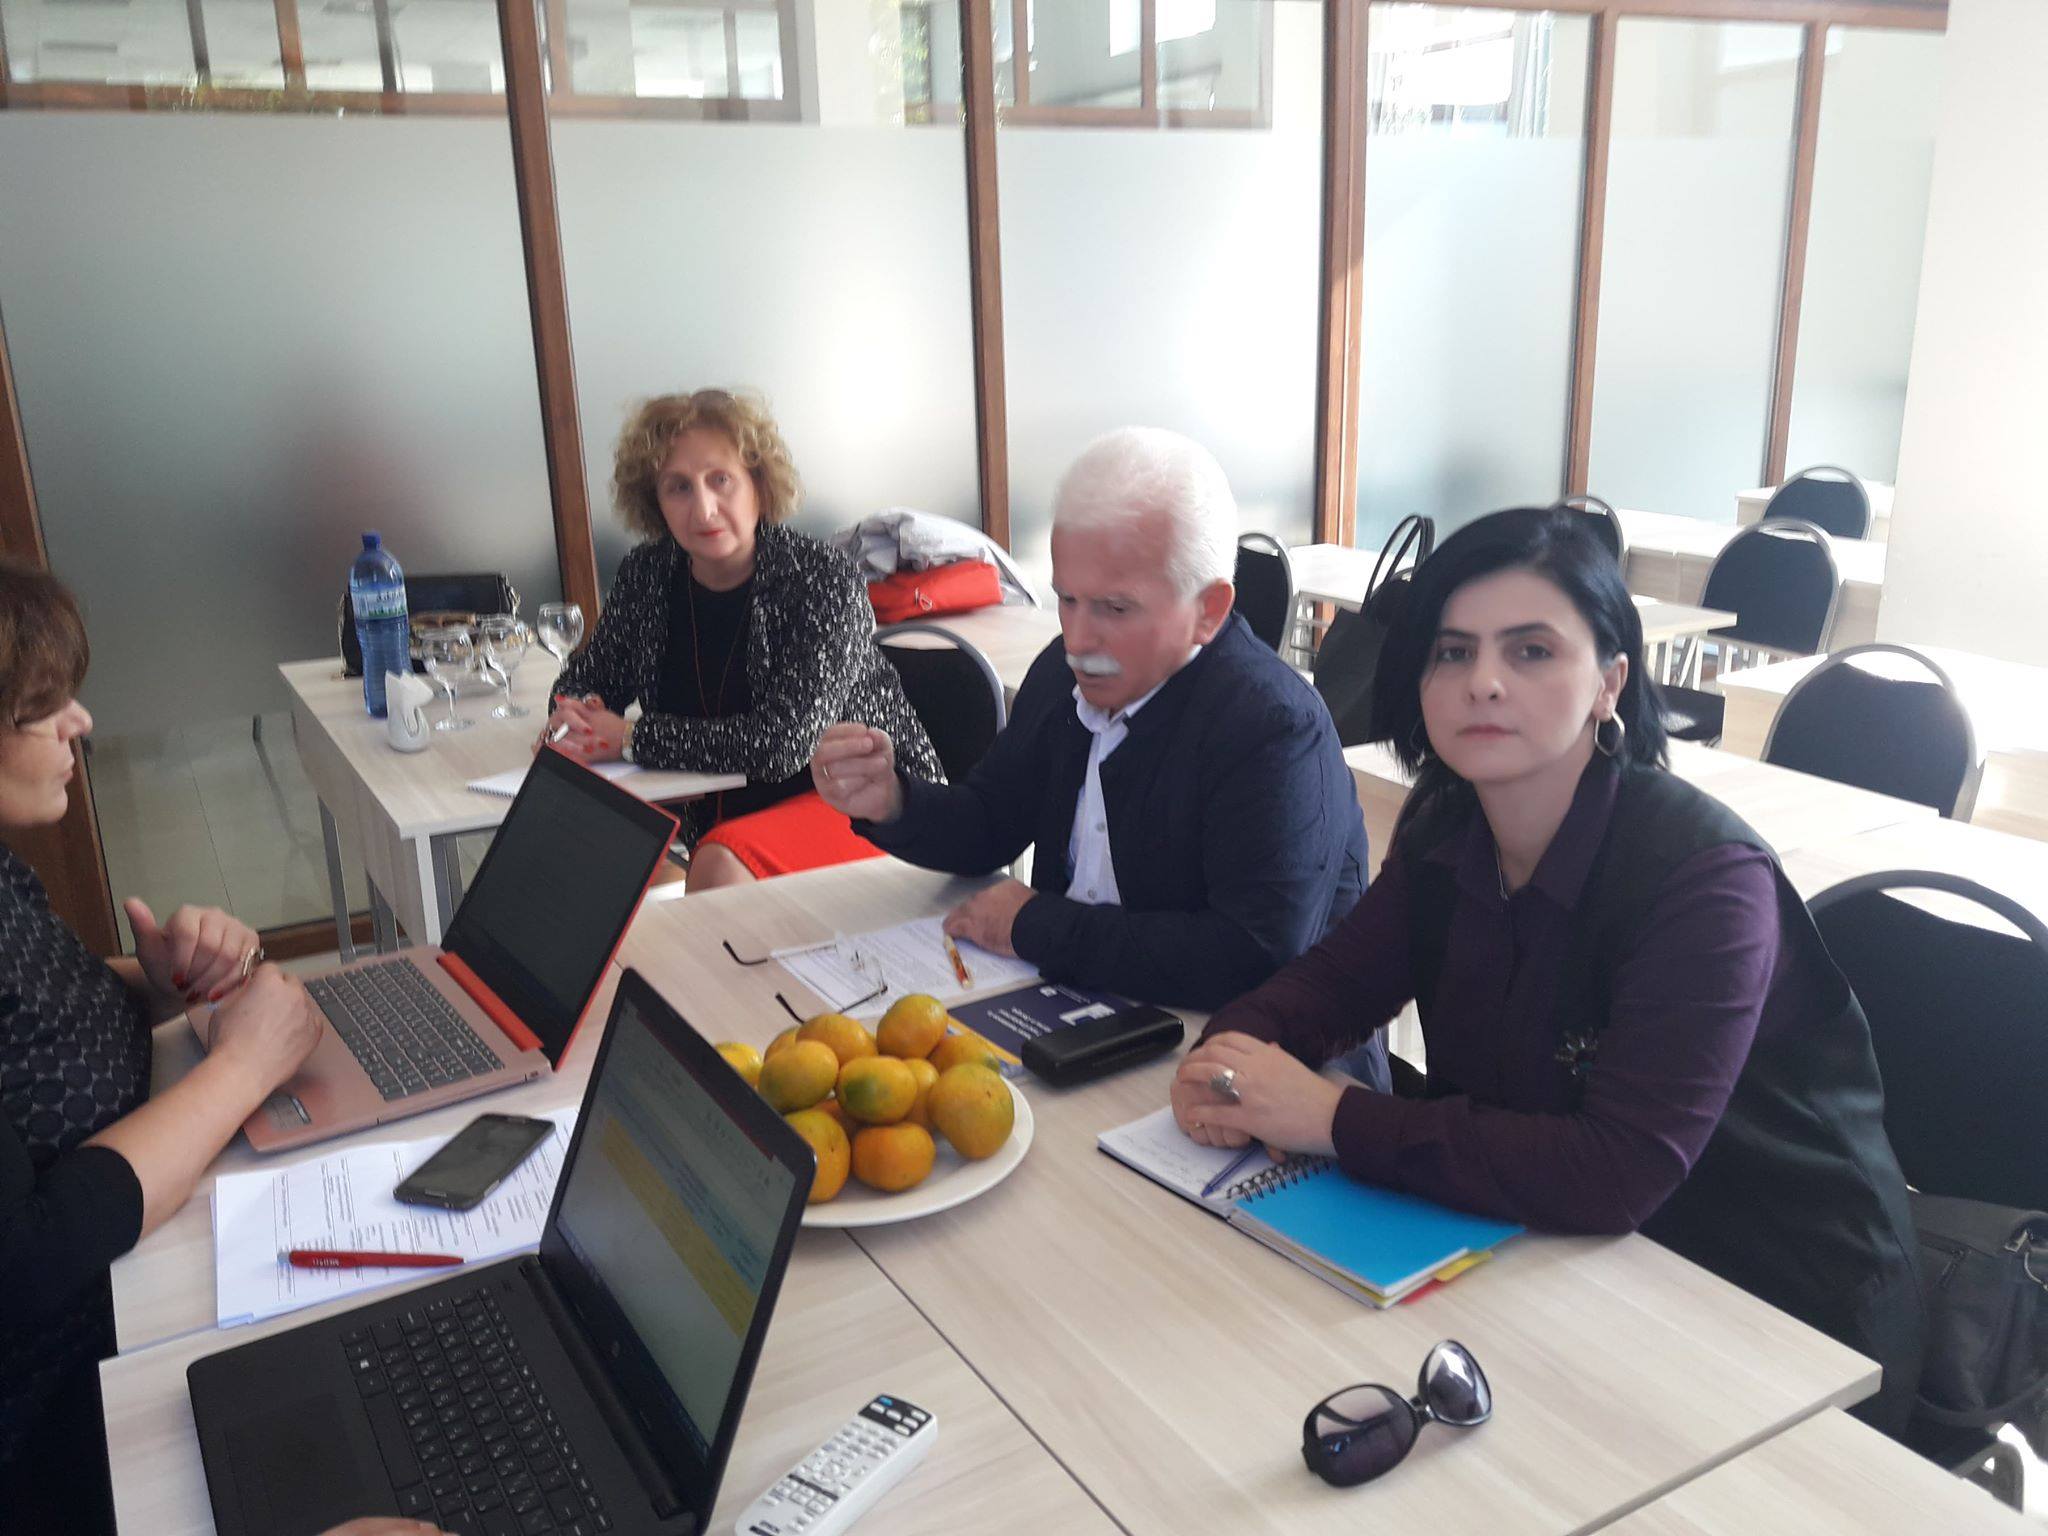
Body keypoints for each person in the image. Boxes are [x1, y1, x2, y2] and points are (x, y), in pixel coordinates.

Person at [1172, 506, 1924, 1434]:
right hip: (1549, 1257)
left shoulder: (1705, 882)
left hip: (1776, 1309)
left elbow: (1617, 1171)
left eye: (1531, 651)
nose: (1483, 682)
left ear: (1610, 681)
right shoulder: (1448, 827)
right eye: (1452, 652)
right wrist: (1232, 1060)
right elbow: (1331, 985)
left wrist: (1327, 1116)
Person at [812, 428, 1385, 1075]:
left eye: (1115, 608)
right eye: (1066, 598)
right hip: (1084, 1018)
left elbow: (1248, 956)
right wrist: (893, 801)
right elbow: (992, 819)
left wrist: (1035, 925)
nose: (1079, 638)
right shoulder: (1063, 673)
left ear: (1208, 609)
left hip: (1265, 1066)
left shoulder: (1272, 726)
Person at [0, 561, 327, 1531]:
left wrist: (153, 981)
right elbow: (28, 1256)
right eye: (42, 708)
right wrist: (243, 1067)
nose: (81, 723)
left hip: (134, 1285)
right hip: (59, 1421)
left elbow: (30, 1034)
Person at [541, 388, 942, 889]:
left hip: (862, 803)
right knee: (578, 844)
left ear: (759, 484)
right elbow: (589, 678)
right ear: (655, 502)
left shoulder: (821, 578)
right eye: (679, 487)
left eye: (721, 480)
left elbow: (781, 744)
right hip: (718, 815)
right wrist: (574, 715)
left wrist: (627, 738)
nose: (704, 510)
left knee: (717, 865)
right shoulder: (648, 574)